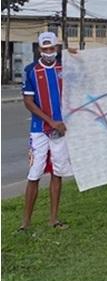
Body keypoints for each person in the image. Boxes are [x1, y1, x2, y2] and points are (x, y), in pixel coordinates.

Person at [18, 32, 77, 231]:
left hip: (61, 130)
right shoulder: (31, 71)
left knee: (57, 172)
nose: (48, 52)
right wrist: (51, 121)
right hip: (39, 130)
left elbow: (84, 81)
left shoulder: (65, 69)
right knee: (34, 174)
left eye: (51, 49)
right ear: (39, 49)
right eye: (45, 49)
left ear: (57, 48)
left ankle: (53, 218)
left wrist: (78, 57)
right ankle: (25, 223)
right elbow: (28, 101)